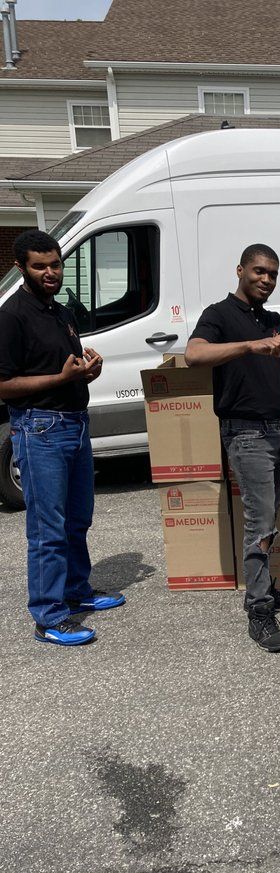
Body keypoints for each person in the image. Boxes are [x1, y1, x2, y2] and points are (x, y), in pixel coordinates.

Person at [185, 243, 280, 654]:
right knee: (259, 525)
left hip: (279, 431)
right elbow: (194, 354)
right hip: (245, 434)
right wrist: (250, 346)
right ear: (240, 270)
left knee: (268, 519)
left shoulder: (273, 320)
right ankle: (259, 611)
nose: (266, 279)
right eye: (259, 271)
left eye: (273, 274)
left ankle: (267, 589)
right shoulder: (219, 315)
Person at [0, 229, 125, 646]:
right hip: (40, 429)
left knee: (78, 518)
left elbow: (65, 363)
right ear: (21, 268)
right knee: (47, 529)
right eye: (40, 266)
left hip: (74, 424)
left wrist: (88, 370)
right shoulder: (12, 316)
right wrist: (61, 377)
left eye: (55, 263)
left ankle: (76, 592)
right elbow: (4, 385)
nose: (50, 272)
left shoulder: (60, 311)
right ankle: (48, 616)